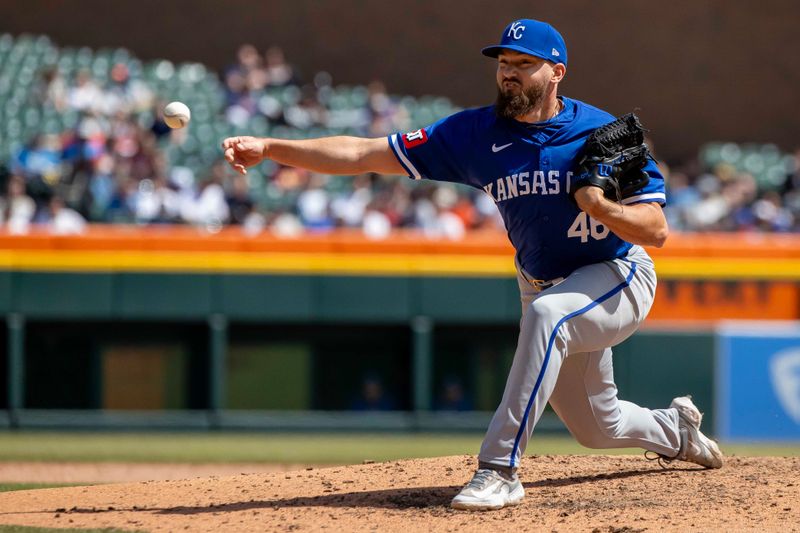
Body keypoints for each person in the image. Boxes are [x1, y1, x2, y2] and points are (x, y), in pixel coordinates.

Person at [221, 18, 723, 511]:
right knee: (598, 426)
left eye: (524, 64)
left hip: (618, 275)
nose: (509, 73)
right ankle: (675, 430)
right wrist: (271, 148)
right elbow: (362, 153)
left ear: (557, 72)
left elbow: (656, 231)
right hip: (543, 282)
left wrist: (601, 207)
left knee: (550, 317)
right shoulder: (475, 134)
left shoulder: (602, 132)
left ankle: (500, 469)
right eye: (503, 63)